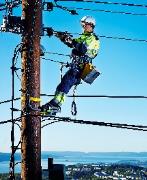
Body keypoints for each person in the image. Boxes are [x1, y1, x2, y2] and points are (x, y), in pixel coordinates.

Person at [41, 15, 100, 116]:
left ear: (91, 25)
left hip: (80, 67)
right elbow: (72, 43)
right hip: (76, 66)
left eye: (85, 25)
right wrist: (58, 35)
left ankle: (55, 105)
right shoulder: (84, 36)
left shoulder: (93, 38)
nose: (83, 27)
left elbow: (82, 48)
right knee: (63, 84)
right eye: (82, 25)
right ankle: (54, 105)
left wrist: (70, 41)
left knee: (65, 84)